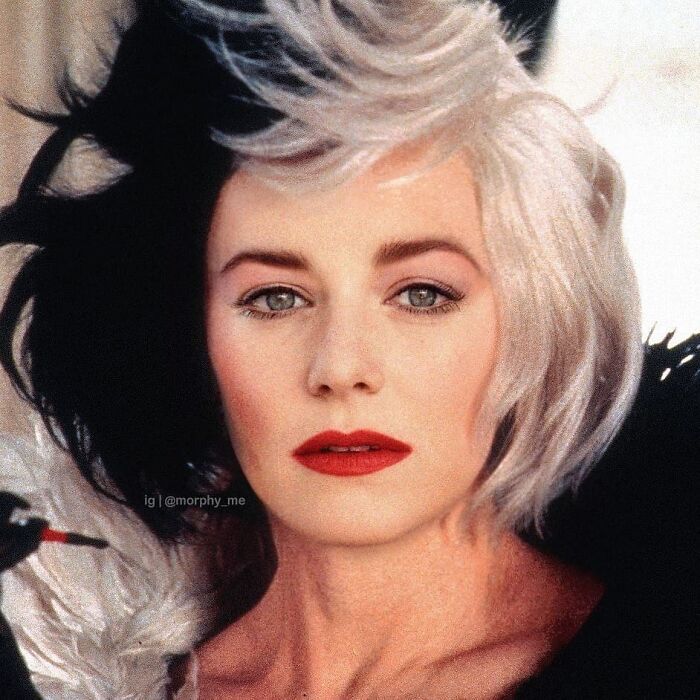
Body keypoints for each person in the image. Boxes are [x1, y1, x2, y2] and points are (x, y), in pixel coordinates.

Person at [0, 1, 697, 698]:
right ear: (193, 338)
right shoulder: (77, 675)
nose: (340, 368)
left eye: (421, 294)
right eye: (276, 298)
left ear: (531, 321)